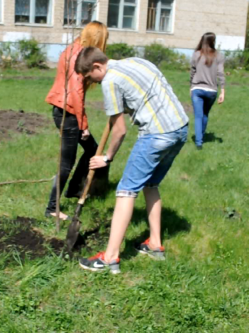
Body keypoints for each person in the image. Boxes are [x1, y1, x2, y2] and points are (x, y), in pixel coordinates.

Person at [74, 47, 189, 274]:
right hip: (180, 129)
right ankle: (155, 244)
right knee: (150, 184)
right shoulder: (137, 62)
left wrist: (106, 158)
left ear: (97, 67)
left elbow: (119, 130)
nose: (92, 83)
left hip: (156, 134)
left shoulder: (110, 81)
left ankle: (110, 258)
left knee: (126, 191)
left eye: (90, 78)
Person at [44, 21, 109, 221]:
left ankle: (73, 189)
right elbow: (75, 93)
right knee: (66, 162)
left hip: (64, 109)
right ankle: (52, 208)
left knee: (92, 149)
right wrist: (84, 125)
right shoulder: (78, 55)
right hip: (68, 111)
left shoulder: (72, 49)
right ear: (97, 39)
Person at [190, 32, 225, 150]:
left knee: (198, 116)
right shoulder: (218, 56)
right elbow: (221, 74)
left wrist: (191, 87)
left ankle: (198, 142)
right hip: (211, 91)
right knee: (205, 114)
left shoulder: (196, 55)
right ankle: (201, 136)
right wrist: (223, 91)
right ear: (213, 41)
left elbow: (192, 72)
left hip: (197, 89)